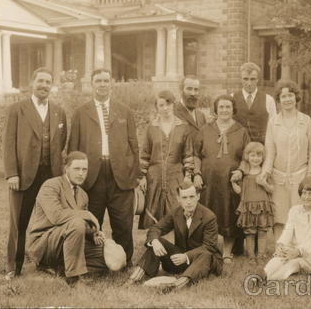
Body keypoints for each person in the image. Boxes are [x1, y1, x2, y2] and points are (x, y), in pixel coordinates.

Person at [68, 68, 140, 265]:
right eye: (98, 81)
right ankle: (93, 262)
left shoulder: (124, 111)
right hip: (92, 176)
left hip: (120, 176)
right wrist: (74, 179)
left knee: (123, 223)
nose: (102, 84)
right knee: (91, 222)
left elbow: (134, 147)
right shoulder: (81, 113)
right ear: (92, 85)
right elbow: (72, 149)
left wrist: (134, 175)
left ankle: (124, 263)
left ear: (111, 83)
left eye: (105, 81)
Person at [3, 67, 67, 280]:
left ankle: (47, 261)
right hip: (23, 175)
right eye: (40, 81)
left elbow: (62, 141)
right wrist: (12, 173)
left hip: (51, 175)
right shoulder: (17, 109)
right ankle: (14, 266)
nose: (44, 85)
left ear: (52, 86)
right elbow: (8, 143)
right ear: (32, 82)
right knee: (19, 222)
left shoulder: (59, 111)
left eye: (48, 82)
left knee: (52, 220)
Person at [27, 152, 108, 285]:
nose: (81, 173)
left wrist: (93, 234)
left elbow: (84, 225)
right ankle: (73, 278)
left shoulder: (83, 195)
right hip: (45, 242)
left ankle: (61, 268)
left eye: (84, 169)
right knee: (76, 224)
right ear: (66, 169)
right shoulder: (51, 185)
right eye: (76, 169)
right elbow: (56, 216)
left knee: (107, 256)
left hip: (70, 242)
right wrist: (86, 215)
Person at [126, 182, 223, 290]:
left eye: (192, 197)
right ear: (178, 199)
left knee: (206, 254)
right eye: (184, 197)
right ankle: (134, 279)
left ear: (198, 197)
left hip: (205, 262)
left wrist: (186, 256)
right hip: (181, 261)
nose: (189, 201)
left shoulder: (209, 217)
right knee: (158, 242)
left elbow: (209, 247)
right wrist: (154, 241)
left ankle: (177, 286)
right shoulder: (175, 213)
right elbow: (156, 228)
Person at [193, 95, 251, 263]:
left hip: (229, 181)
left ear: (233, 109)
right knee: (206, 212)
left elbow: (247, 156)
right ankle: (208, 248)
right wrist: (196, 173)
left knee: (228, 212)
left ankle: (227, 251)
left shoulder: (241, 130)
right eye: (221, 107)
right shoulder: (205, 129)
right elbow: (196, 154)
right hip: (208, 181)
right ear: (216, 109)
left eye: (228, 107)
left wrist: (241, 171)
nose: (224, 110)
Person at [261, 80, 311, 243]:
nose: (287, 99)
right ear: (278, 99)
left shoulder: (306, 120)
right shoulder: (273, 122)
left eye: (290, 95)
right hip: (279, 176)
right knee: (280, 216)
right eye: (283, 96)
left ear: (296, 97)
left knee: (300, 212)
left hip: (301, 174)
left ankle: (299, 247)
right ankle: (281, 248)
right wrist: (266, 172)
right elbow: (270, 150)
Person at [138, 90, 194, 229]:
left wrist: (188, 176)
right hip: (154, 177)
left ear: (173, 104)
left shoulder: (183, 127)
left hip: (176, 175)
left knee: (176, 210)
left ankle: (177, 246)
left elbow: (188, 154)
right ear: (157, 107)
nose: (165, 108)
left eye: (168, 104)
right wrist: (142, 177)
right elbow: (145, 154)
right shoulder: (152, 128)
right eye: (161, 105)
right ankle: (154, 245)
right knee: (154, 209)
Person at [263, 176, 311, 280]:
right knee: (277, 259)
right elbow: (288, 231)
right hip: (294, 251)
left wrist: (298, 252)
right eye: (304, 193)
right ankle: (263, 275)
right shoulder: (294, 210)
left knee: (294, 263)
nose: (306, 197)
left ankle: (269, 280)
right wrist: (281, 245)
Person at [230, 142, 275, 262]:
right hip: (248, 207)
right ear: (247, 157)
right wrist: (233, 183)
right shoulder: (245, 174)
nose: (255, 159)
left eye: (259, 156)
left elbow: (271, 189)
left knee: (262, 232)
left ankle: (261, 255)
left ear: (263, 157)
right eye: (252, 155)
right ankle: (251, 256)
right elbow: (239, 191)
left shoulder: (265, 173)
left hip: (262, 207)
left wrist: (264, 183)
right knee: (250, 232)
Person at [232, 62, 277, 144]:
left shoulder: (269, 100)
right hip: (237, 148)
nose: (249, 83)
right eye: (245, 79)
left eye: (252, 79)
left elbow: (274, 128)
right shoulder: (231, 98)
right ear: (240, 79)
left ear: (257, 80)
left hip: (261, 148)